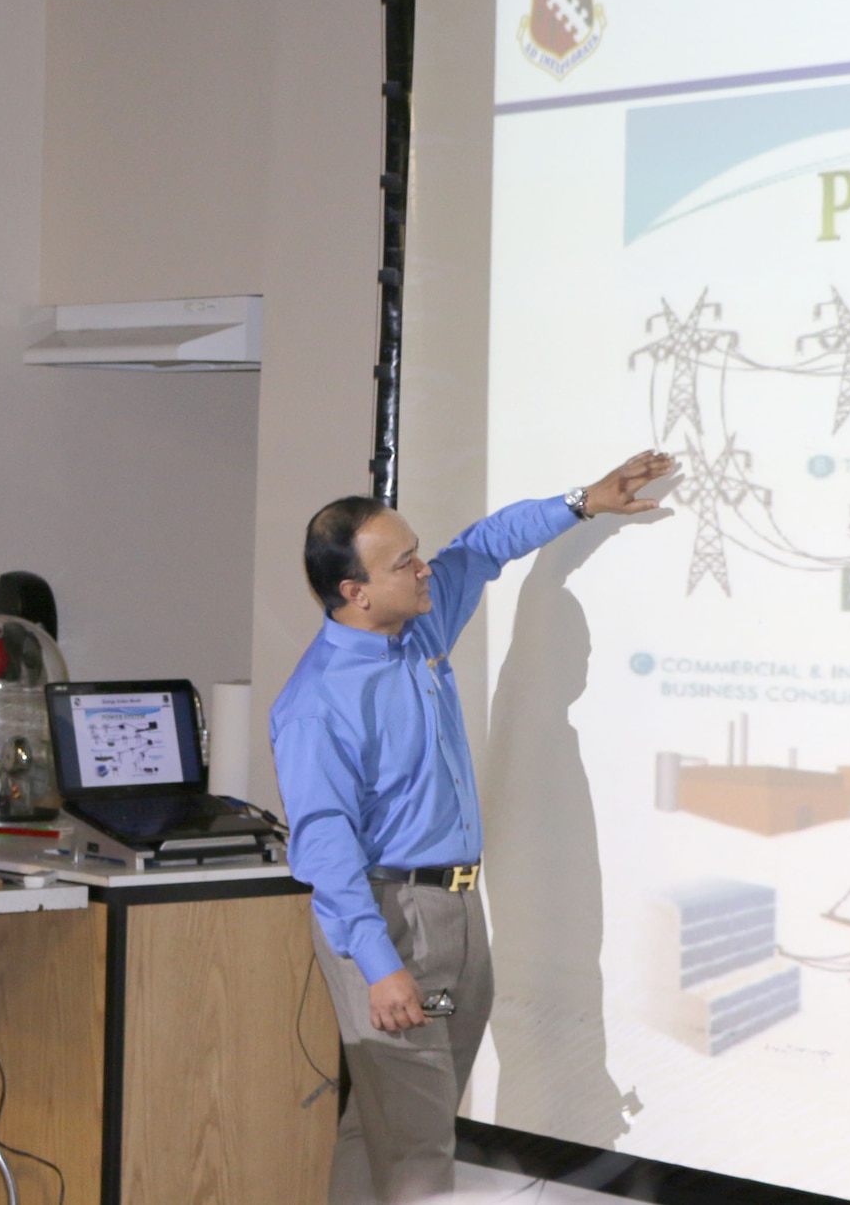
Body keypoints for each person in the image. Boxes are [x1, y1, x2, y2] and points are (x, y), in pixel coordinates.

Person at [271, 450, 677, 1204]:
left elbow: (485, 545)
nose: (426, 569)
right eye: (405, 563)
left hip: (456, 922)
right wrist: (379, 969)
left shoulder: (417, 636)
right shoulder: (318, 702)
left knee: (387, 1117)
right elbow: (326, 852)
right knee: (422, 1143)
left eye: (418, 553)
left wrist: (582, 502)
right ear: (355, 592)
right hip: (391, 930)